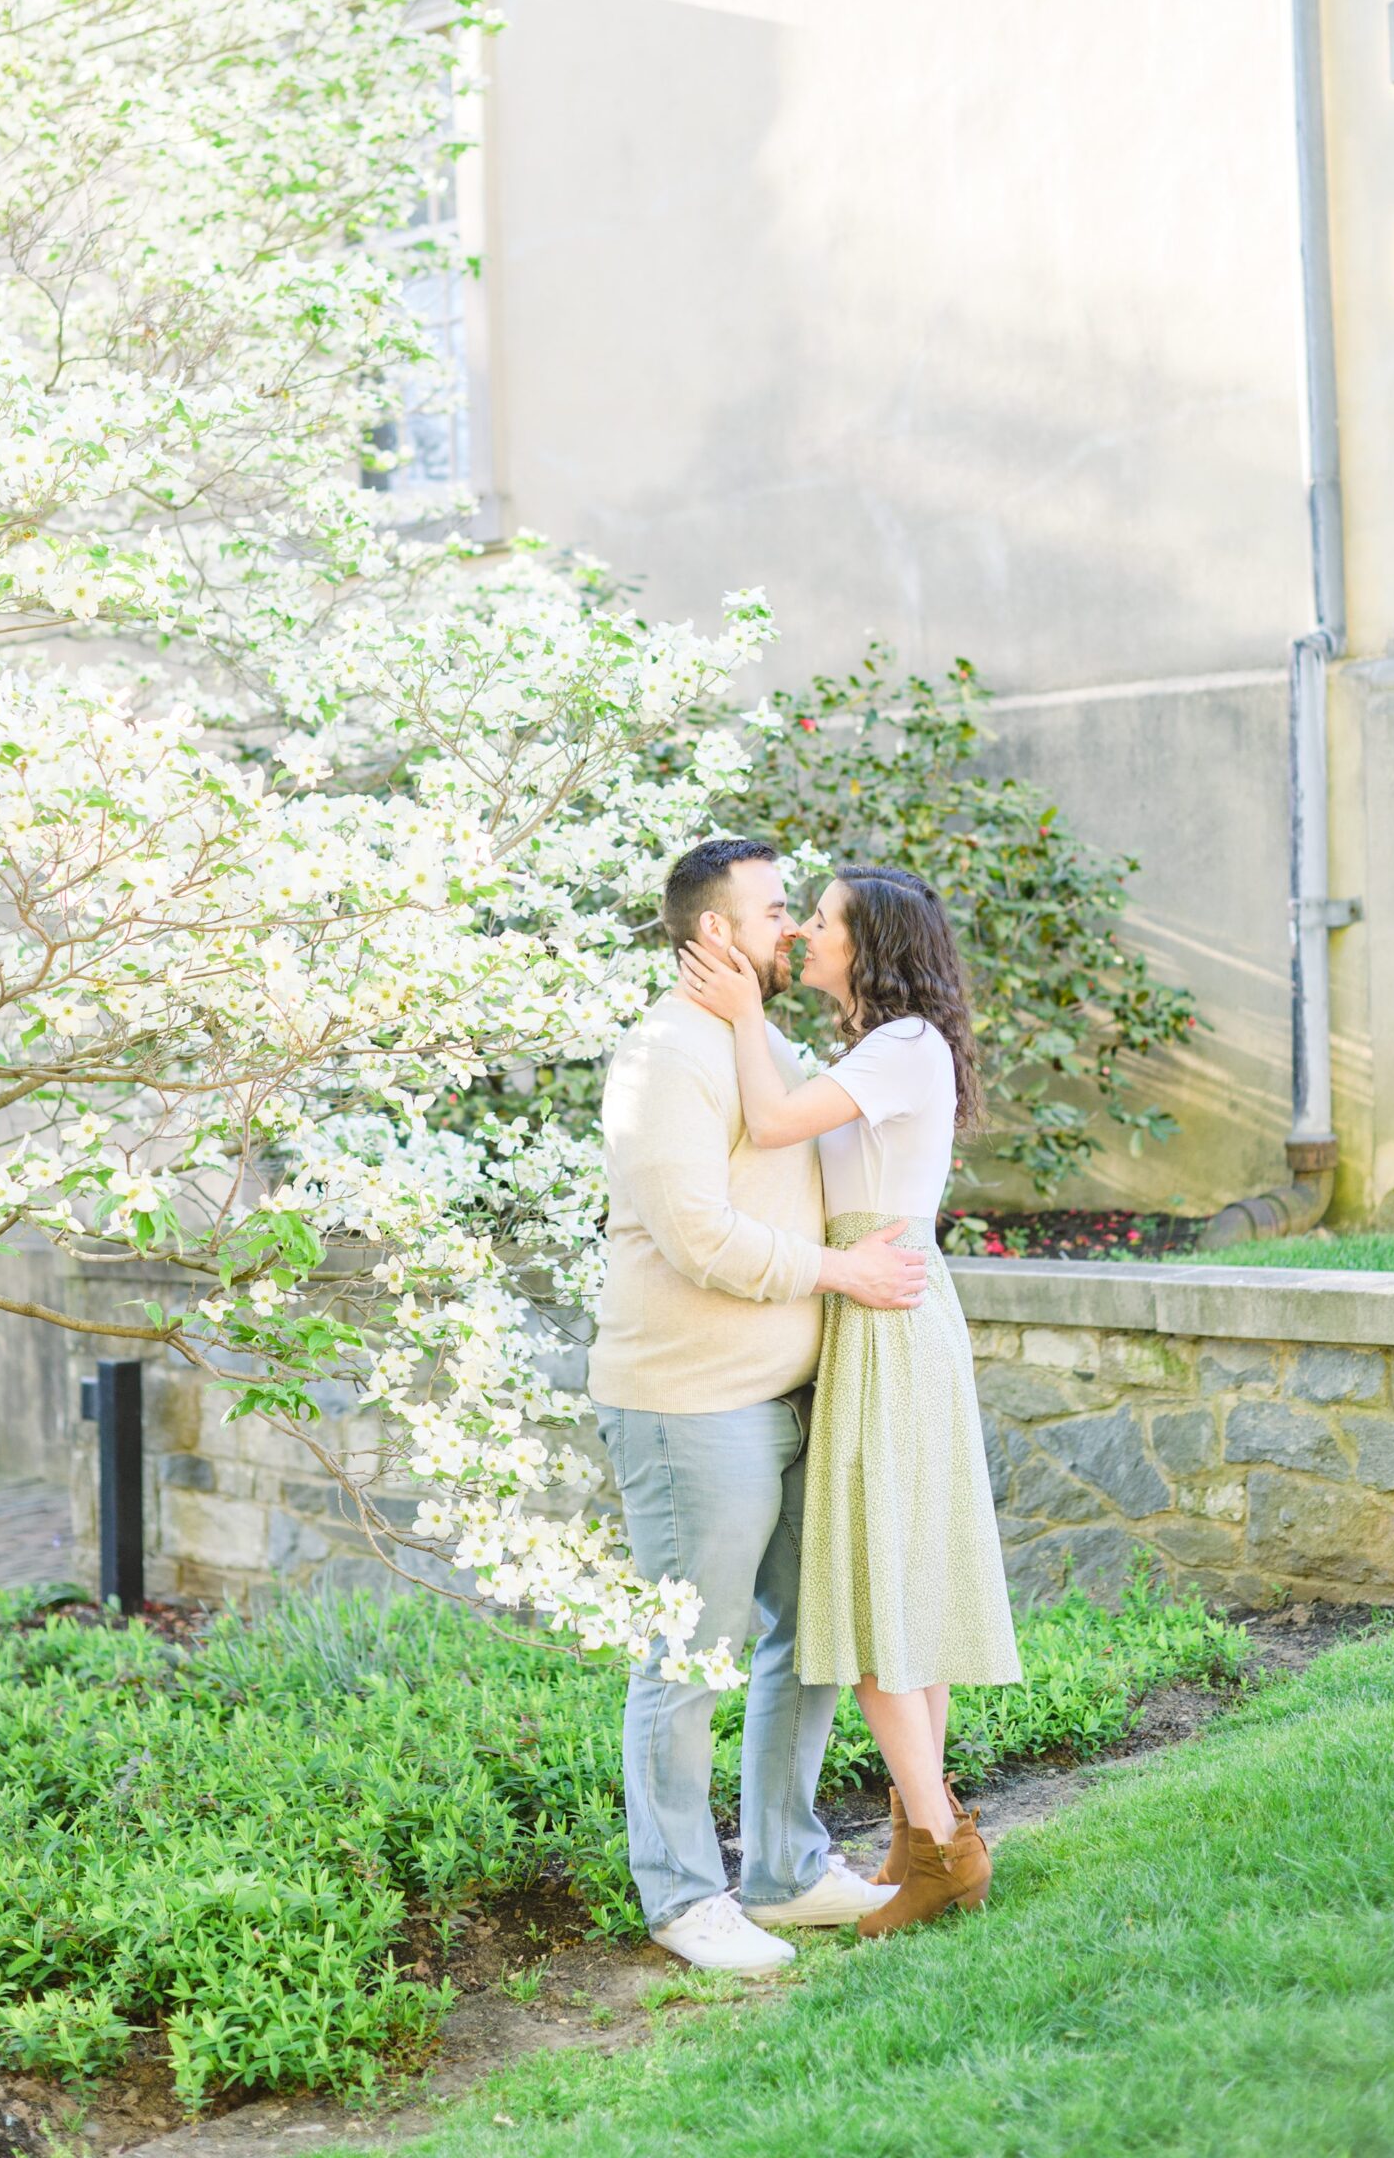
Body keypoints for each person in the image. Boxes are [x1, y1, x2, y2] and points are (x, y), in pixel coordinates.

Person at [587, 838, 929, 1974]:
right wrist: (841, 1275)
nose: (793, 927)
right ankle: (684, 1896)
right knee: (690, 1655)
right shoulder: (659, 1058)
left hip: (791, 1394)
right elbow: (698, 1238)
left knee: (811, 1640)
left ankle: (783, 1870)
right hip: (693, 1406)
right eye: (777, 910)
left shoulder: (753, 1035)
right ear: (715, 933)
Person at [682, 863, 1020, 1937]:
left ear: (866, 944)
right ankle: (923, 1832)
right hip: (880, 1313)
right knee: (898, 1588)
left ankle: (941, 1850)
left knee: (875, 1604)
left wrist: (738, 1010)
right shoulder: (884, 1048)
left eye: (820, 921)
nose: (804, 933)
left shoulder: (900, 1046)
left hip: (885, 1323)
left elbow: (775, 1122)